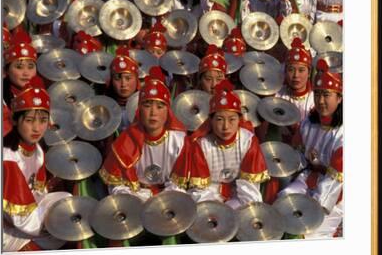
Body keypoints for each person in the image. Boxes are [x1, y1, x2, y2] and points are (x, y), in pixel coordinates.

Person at [99, 67, 202, 201]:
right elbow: (116, 185)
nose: (153, 113)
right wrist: (138, 198)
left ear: (168, 112)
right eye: (147, 106)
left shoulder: (180, 141)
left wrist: (162, 198)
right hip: (136, 201)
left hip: (171, 201)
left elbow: (184, 184)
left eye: (160, 107)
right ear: (139, 110)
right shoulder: (126, 141)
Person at [277, 59, 344, 238]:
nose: (320, 101)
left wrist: (314, 205)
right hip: (309, 177)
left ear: (339, 98)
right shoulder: (309, 122)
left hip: (336, 192)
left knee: (310, 230)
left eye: (326, 95)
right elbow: (299, 155)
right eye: (317, 95)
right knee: (284, 200)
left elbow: (335, 181)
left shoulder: (344, 134)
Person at [2, 81, 72, 251]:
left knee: (68, 201)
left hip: (29, 211)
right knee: (65, 222)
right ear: (16, 121)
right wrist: (51, 219)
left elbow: (37, 191)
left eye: (42, 120)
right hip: (8, 226)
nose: (37, 128)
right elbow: (21, 219)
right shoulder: (9, 158)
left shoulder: (37, 149)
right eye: (29, 120)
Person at [188, 79, 270, 209]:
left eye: (232, 119)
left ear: (239, 119)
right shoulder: (202, 145)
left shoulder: (248, 141)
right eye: (219, 119)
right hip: (209, 193)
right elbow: (200, 190)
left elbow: (249, 188)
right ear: (211, 120)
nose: (226, 126)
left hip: (239, 193)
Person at [275, 37, 315, 122]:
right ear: (285, 71)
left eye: (301, 70)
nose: (296, 75)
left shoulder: (315, 100)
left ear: (309, 72)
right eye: (291, 70)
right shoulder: (277, 96)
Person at [106, 46, 140, 132]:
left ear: (136, 80)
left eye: (128, 78)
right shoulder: (104, 106)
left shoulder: (144, 105)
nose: (123, 84)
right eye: (117, 78)